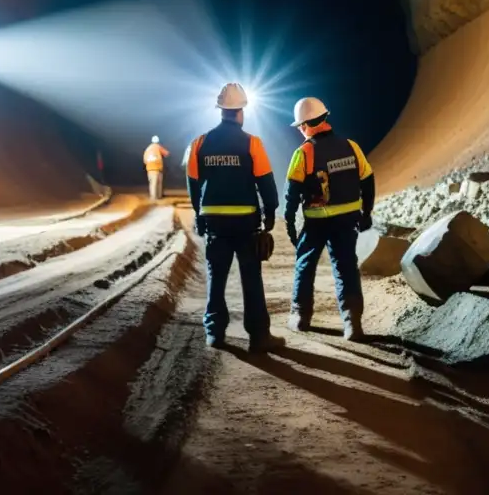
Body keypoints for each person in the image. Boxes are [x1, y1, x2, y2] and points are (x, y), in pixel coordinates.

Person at [185, 82, 285, 352]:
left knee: (216, 279)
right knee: (252, 279)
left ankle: (215, 334)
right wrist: (270, 214)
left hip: (215, 225)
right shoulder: (252, 143)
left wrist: (199, 213)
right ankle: (259, 338)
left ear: (220, 111)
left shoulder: (200, 143)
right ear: (241, 111)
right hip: (246, 225)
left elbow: (193, 183)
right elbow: (266, 182)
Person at [284, 97, 375, 341]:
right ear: (325, 118)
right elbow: (367, 180)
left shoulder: (304, 152)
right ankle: (352, 324)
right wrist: (367, 213)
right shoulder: (351, 146)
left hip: (316, 222)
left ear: (304, 125)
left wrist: (290, 223)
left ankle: (300, 317)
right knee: (346, 268)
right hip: (347, 221)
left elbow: (291, 193)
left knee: (305, 265)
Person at [143, 135, 170, 200]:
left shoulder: (148, 148)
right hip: (157, 168)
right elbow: (166, 153)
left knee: (152, 183)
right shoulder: (158, 147)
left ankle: (153, 197)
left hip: (150, 169)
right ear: (158, 141)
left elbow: (145, 160)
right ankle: (158, 197)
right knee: (158, 183)